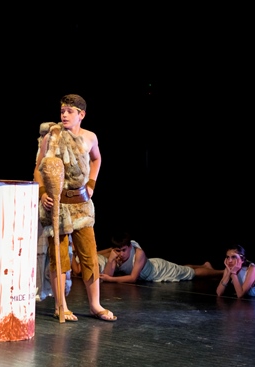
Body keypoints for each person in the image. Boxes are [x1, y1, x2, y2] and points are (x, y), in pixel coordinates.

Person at [33, 94, 116, 322]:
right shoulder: (52, 136)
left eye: (70, 111)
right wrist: (43, 193)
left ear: (82, 114)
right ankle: (61, 306)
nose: (64, 115)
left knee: (89, 256)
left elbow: (97, 159)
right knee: (59, 257)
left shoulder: (90, 137)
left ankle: (95, 305)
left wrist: (91, 183)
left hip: (81, 205)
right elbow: (38, 168)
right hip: (58, 205)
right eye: (62, 111)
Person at [85, 231, 223, 283]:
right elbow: (108, 275)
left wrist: (111, 279)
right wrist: (111, 260)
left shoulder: (139, 254)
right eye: (118, 250)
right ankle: (205, 266)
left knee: (191, 273)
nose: (121, 254)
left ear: (130, 247)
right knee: (182, 268)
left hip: (159, 271)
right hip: (152, 266)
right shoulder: (115, 254)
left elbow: (132, 278)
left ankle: (222, 272)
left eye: (124, 250)